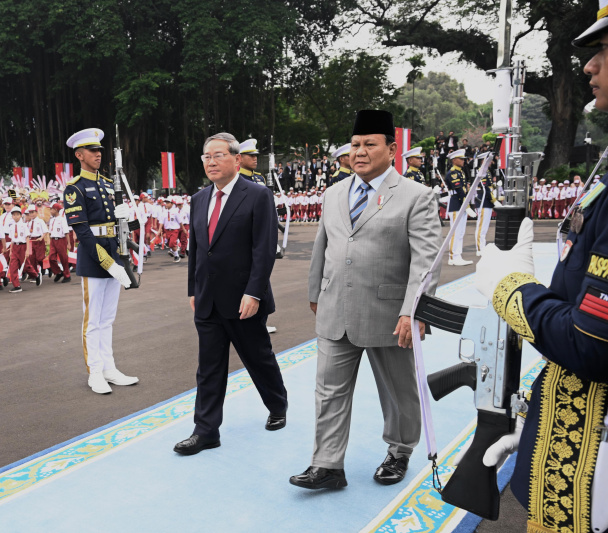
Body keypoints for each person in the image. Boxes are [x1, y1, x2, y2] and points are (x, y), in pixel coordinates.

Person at [469, 16, 608, 533]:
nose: (590, 65)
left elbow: (591, 344)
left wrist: (511, 288)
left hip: (590, 461)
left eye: (605, 51)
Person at [290, 110, 440, 489]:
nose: (359, 152)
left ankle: (399, 450)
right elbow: (322, 248)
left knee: (398, 390)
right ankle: (327, 465)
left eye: (368, 144)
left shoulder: (416, 196)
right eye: (355, 145)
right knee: (328, 390)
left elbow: (426, 263)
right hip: (335, 307)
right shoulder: (334, 193)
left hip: (390, 313)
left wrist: (413, 311)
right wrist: (315, 294)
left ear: (391, 149)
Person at [174, 132, 287, 456]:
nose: (211, 161)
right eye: (206, 156)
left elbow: (263, 249)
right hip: (208, 300)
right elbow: (196, 249)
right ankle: (206, 430)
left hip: (243, 300)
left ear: (236, 160)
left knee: (258, 358)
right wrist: (193, 289)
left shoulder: (257, 195)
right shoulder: (198, 199)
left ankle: (277, 404)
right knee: (208, 367)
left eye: (218, 155)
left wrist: (254, 293)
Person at [63, 128, 138, 395]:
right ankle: (94, 371)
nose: (98, 154)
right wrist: (109, 264)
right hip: (95, 257)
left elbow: (130, 226)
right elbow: (82, 232)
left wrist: (128, 216)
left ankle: (109, 368)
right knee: (92, 319)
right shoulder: (75, 189)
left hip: (115, 251)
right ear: (79, 155)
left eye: (99, 151)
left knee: (108, 318)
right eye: (92, 151)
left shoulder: (108, 184)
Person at [444, 148, 472, 266]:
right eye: (461, 159)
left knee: (461, 232)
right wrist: (467, 205)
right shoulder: (453, 173)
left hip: (461, 203)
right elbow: (459, 190)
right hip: (456, 203)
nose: (463, 161)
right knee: (455, 231)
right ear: (454, 160)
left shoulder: (460, 172)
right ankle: (453, 257)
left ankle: (458, 255)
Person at [474, 151, 496, 256]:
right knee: (481, 226)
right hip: (483, 200)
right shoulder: (481, 171)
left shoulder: (487, 171)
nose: (491, 162)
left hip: (487, 201)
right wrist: (494, 200)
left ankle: (482, 245)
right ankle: (479, 248)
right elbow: (485, 188)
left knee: (485, 226)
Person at [5, 206, 30, 293]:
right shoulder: (11, 226)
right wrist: (11, 251)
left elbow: (27, 238)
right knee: (13, 266)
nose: (15, 216)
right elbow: (12, 239)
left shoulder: (24, 225)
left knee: (25, 265)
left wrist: (27, 250)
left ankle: (36, 275)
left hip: (22, 246)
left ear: (20, 215)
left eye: (17, 214)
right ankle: (17, 286)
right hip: (15, 246)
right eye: (14, 215)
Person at [47, 202, 72, 283]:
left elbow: (66, 232)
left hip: (61, 239)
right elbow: (50, 231)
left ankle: (67, 275)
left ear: (56, 210)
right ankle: (58, 272)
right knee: (51, 258)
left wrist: (68, 243)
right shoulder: (52, 220)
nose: (50, 211)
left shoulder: (62, 219)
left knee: (63, 258)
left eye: (51, 209)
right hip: (53, 240)